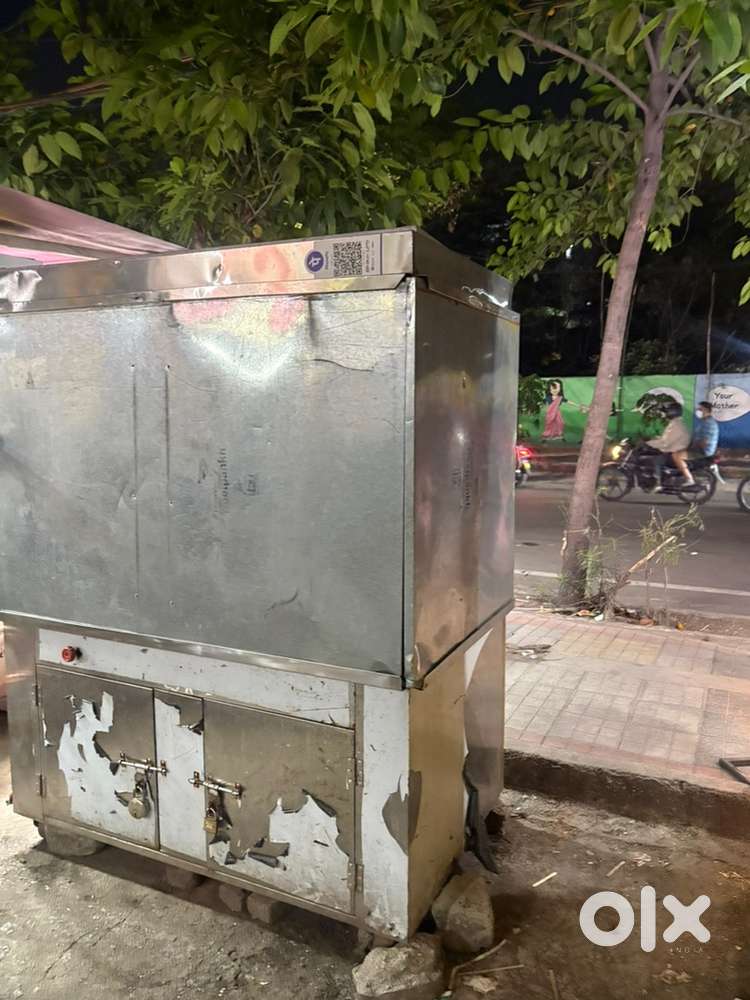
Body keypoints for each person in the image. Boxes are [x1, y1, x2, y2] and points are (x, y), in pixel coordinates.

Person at [644, 401, 692, 489]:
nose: (665, 414)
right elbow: (665, 439)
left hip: (673, 451)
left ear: (672, 412)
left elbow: (665, 443)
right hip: (672, 449)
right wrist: (652, 440)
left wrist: (648, 443)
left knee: (655, 460)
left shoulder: (676, 425)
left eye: (666, 411)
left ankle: (658, 483)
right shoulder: (675, 423)